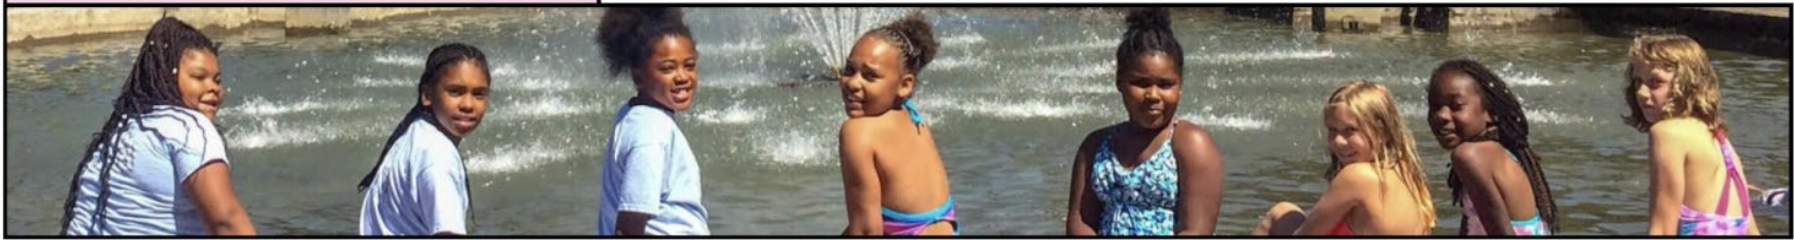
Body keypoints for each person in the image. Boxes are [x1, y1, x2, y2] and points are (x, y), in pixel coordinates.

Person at [60, 17, 256, 236]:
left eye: (217, 80)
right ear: (166, 77)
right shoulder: (189, 128)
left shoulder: (120, 131)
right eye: (199, 77)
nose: (214, 88)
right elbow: (227, 223)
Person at [1063, 7, 1225, 236]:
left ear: (1180, 86)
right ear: (1119, 81)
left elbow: (1197, 230)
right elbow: (1080, 222)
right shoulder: (1095, 145)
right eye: (1140, 83)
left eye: (1165, 84)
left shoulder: (1190, 144)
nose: (1153, 95)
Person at [1252, 81, 1436, 236]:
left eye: (1350, 131)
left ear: (1383, 133)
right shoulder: (1407, 171)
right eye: (1333, 130)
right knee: (1286, 212)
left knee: (1279, 214)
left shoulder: (1357, 176)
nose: (1338, 141)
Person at [834, 11, 958, 236]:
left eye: (870, 76)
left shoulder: (857, 133)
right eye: (849, 70)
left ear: (905, 85)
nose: (852, 83)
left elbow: (866, 230)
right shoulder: (913, 117)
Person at [1625, 34, 1760, 236]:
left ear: (1686, 84)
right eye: (1638, 82)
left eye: (1655, 82)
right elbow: (1752, 230)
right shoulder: (1720, 140)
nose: (1642, 93)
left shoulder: (1667, 133)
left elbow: (1661, 230)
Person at [595, 7, 710, 236]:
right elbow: (629, 226)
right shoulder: (650, 135)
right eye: (667, 68)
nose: (682, 77)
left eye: (689, 65)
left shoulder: (634, 114)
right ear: (639, 77)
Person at [357, 43, 492, 236]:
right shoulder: (438, 158)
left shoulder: (416, 133)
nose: (468, 104)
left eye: (479, 94)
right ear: (427, 95)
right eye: (455, 91)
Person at [1425, 59, 1557, 235]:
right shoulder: (1499, 153)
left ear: (1490, 112)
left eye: (1456, 106)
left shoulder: (1469, 156)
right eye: (1435, 106)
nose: (1442, 115)